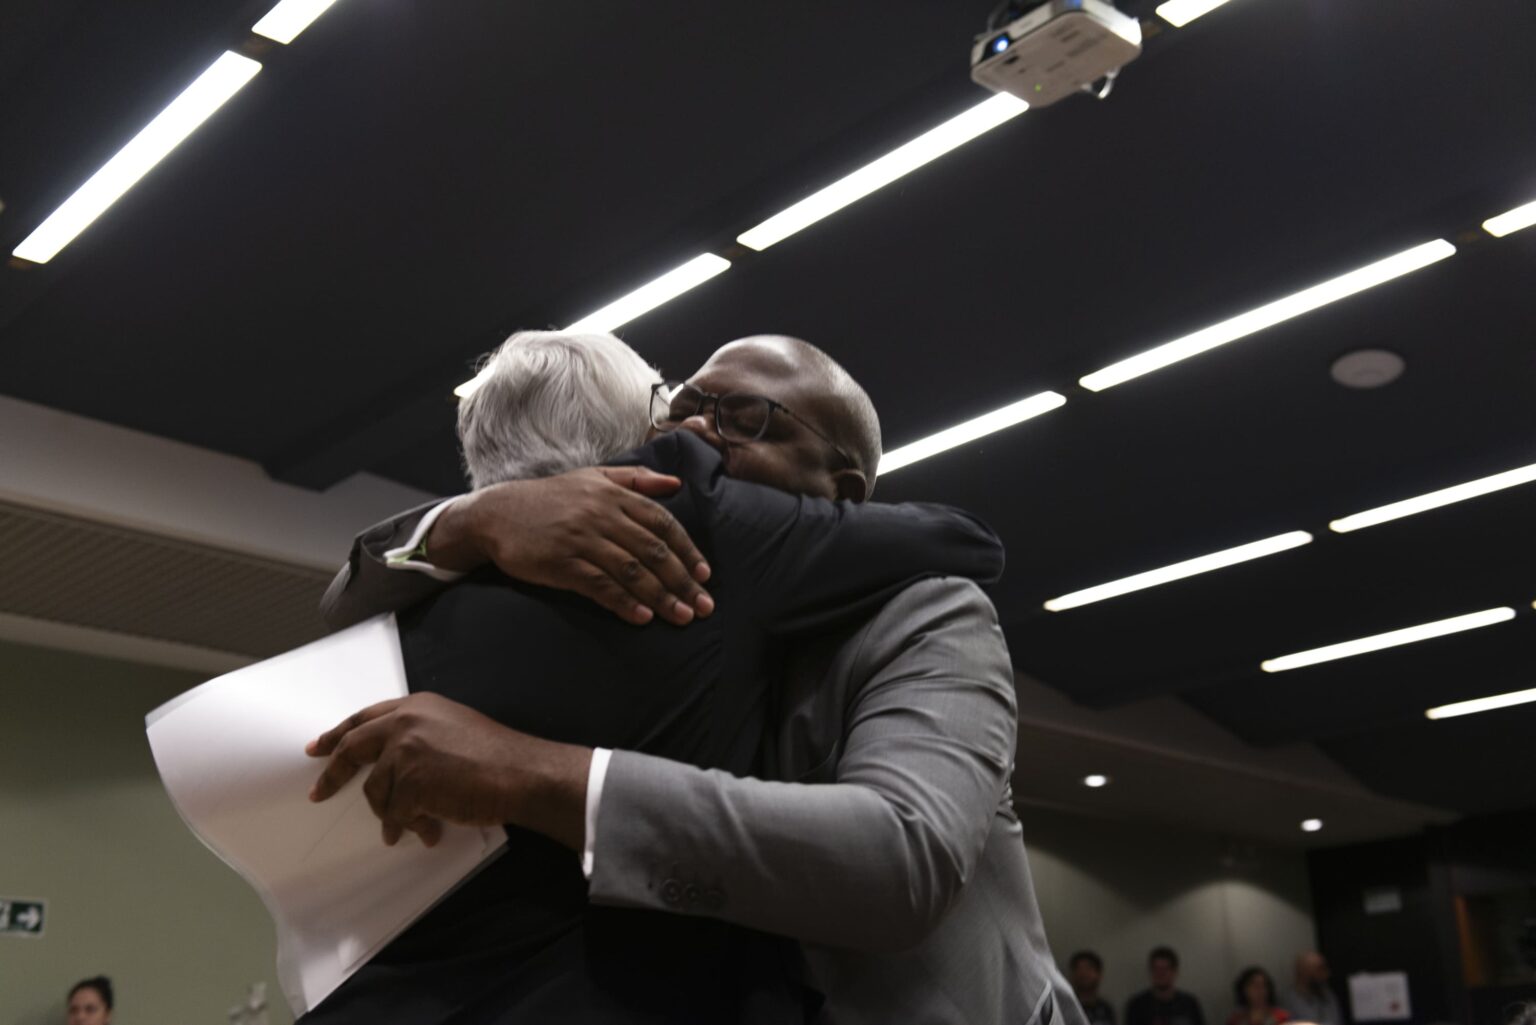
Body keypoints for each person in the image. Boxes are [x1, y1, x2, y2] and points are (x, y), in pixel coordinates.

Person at [315, 334, 1083, 1025]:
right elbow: (342, 603)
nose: (692, 435)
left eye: (745, 419)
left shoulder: (930, 612)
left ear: (842, 493)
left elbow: (902, 859)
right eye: (680, 410)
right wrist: (475, 519)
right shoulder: (663, 603)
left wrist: (529, 772)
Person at [1125, 947, 1205, 1025]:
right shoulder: (1137, 1006)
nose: (1160, 973)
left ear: (1175, 972)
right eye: (1156, 969)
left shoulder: (1190, 1004)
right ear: (1150, 971)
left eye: (1165, 969)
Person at [1280, 951, 1342, 1025]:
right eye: (1320, 969)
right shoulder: (1288, 1000)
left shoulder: (1327, 993)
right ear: (1304, 972)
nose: (1327, 974)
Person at [1070, 950, 1116, 1024]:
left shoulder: (1106, 1009)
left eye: (1088, 968)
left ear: (1099, 974)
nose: (1083, 973)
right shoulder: (1064, 1007)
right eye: (1079, 969)